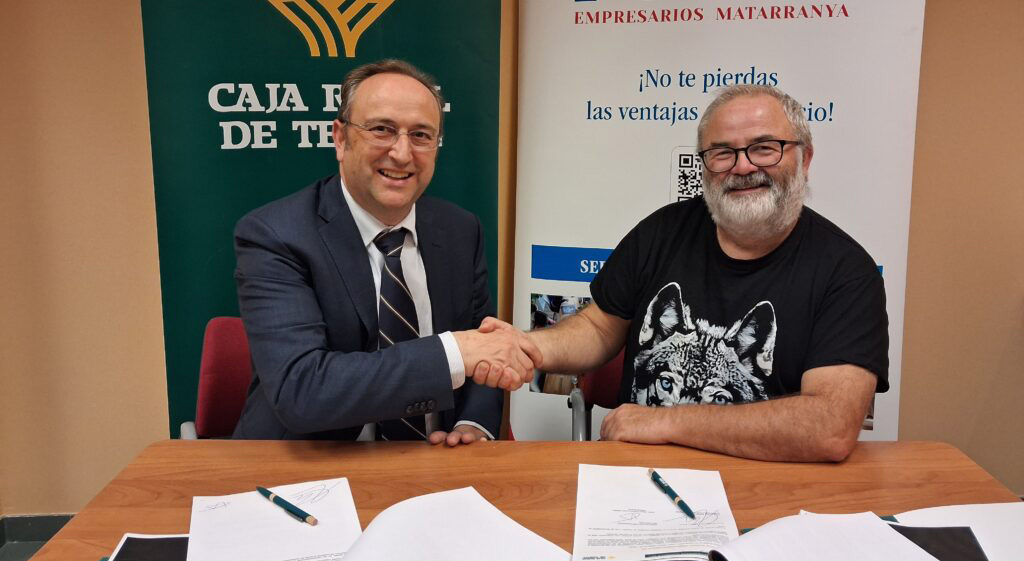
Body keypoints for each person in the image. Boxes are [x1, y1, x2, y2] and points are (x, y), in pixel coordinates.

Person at [484, 84, 888, 462]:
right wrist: (528, 347)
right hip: (639, 478)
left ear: (805, 158)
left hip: (766, 480)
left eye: (765, 148)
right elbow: (599, 328)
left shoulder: (847, 272)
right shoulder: (661, 233)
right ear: (705, 165)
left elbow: (830, 428)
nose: (743, 166)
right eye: (722, 152)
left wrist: (664, 421)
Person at [232, 59, 539, 444]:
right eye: (382, 129)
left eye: (421, 135)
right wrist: (454, 352)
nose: (402, 153)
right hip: (308, 463)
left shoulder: (460, 230)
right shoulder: (276, 234)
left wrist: (472, 425)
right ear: (340, 139)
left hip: (436, 461)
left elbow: (484, 351)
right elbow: (302, 390)